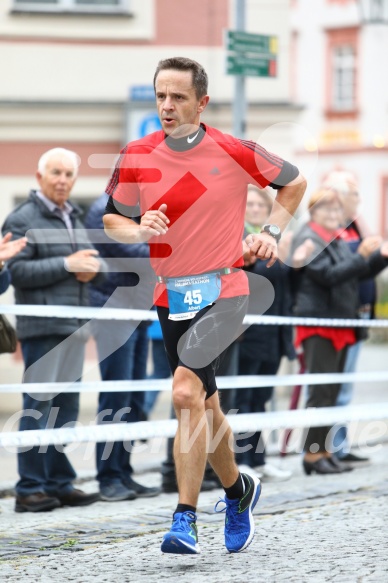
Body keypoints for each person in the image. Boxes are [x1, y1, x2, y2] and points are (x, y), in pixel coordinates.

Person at [103, 57, 306, 554]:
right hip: (170, 292)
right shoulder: (137, 153)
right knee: (205, 405)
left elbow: (294, 182)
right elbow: (113, 219)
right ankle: (239, 492)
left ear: (202, 102)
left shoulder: (232, 150)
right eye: (160, 97)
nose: (167, 107)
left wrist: (271, 232)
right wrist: (139, 227)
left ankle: (185, 518)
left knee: (184, 393)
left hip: (225, 287)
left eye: (178, 97)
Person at [2, 147, 105, 513]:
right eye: (56, 173)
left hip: (75, 327)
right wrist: (66, 263)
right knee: (38, 411)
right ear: (39, 177)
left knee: (64, 412)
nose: (62, 180)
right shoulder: (22, 218)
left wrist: (95, 270)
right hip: (43, 328)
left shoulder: (72, 217)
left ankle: (59, 483)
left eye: (68, 174)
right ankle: (29, 489)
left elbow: (94, 264)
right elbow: (14, 273)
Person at [290, 188, 388, 476]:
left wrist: (380, 257)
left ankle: (325, 451)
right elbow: (328, 275)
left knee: (331, 392)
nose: (334, 216)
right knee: (321, 392)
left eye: (337, 211)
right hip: (319, 324)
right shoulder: (308, 237)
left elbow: (355, 273)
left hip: (338, 322)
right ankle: (312, 455)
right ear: (314, 211)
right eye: (328, 210)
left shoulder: (335, 237)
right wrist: (361, 255)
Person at [85, 193, 160, 501]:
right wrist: (168, 248)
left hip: (138, 311)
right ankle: (108, 477)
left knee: (131, 396)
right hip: (113, 311)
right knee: (115, 396)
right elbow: (136, 253)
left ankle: (124, 472)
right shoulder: (103, 210)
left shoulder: (140, 208)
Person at [234, 186, 294, 482]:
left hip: (274, 331)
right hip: (248, 330)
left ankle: (258, 458)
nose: (256, 208)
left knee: (262, 397)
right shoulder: (238, 238)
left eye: (261, 204)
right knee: (243, 397)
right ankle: (239, 459)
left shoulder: (277, 239)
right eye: (251, 204)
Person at [323, 170, 379, 463]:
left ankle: (340, 445)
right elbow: (344, 269)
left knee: (344, 386)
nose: (358, 200)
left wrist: (379, 256)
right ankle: (329, 447)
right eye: (353, 195)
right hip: (337, 316)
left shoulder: (354, 225)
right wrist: (365, 252)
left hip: (357, 314)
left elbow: (366, 264)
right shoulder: (330, 228)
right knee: (333, 386)